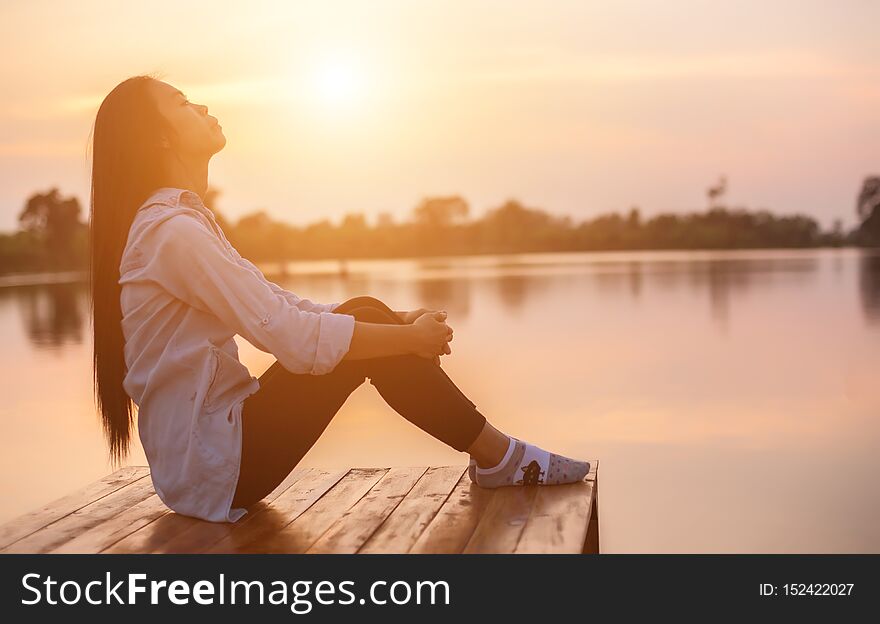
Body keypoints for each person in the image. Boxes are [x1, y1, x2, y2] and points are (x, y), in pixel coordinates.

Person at [88, 75, 590, 523]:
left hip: (209, 458)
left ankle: (499, 457)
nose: (201, 107)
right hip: (215, 466)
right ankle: (502, 458)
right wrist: (402, 337)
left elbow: (279, 305)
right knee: (365, 321)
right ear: (160, 137)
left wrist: (397, 325)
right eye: (183, 103)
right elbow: (286, 337)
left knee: (365, 311)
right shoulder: (172, 233)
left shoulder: (181, 223)